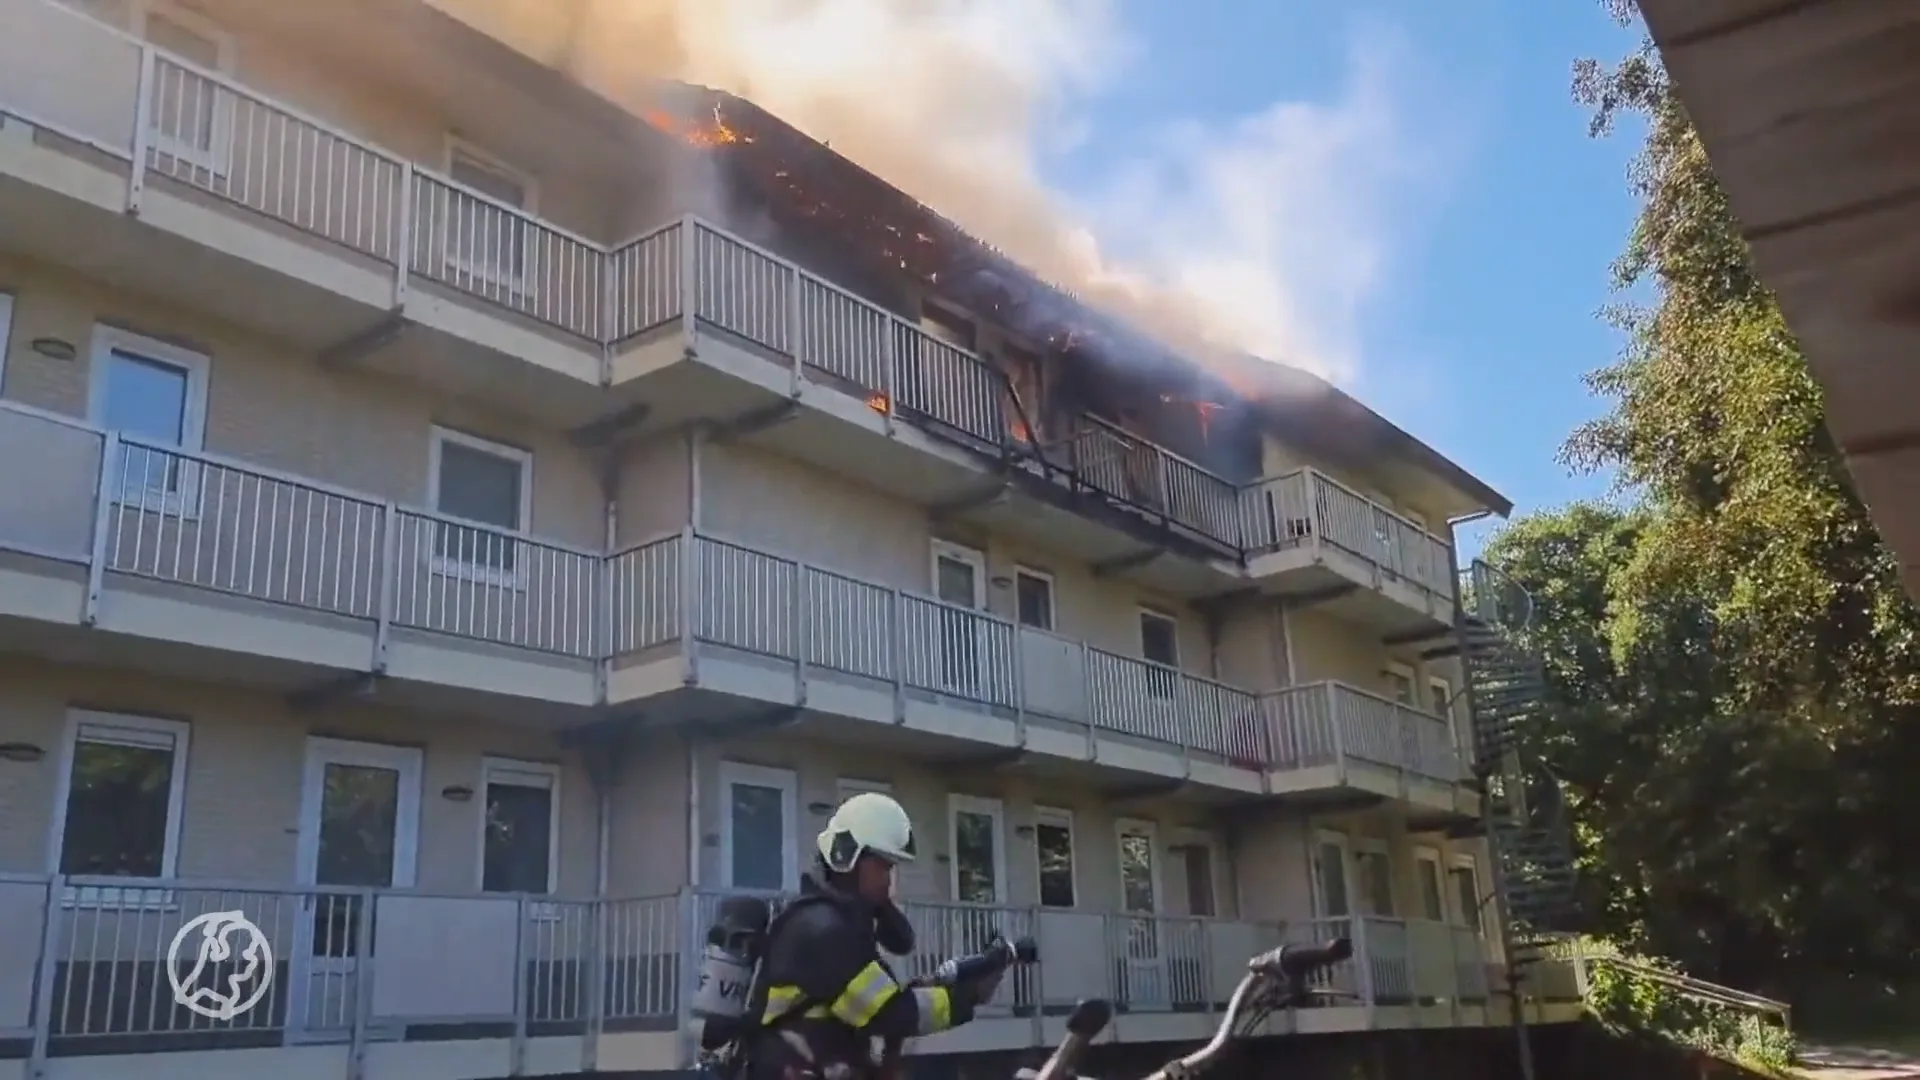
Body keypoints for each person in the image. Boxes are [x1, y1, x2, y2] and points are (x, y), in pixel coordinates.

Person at [743, 792, 1002, 1080]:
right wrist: (967, 997)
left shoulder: (836, 925)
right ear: (847, 857)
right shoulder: (824, 931)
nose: (888, 880)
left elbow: (876, 999)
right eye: (883, 866)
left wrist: (937, 986)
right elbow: (887, 1014)